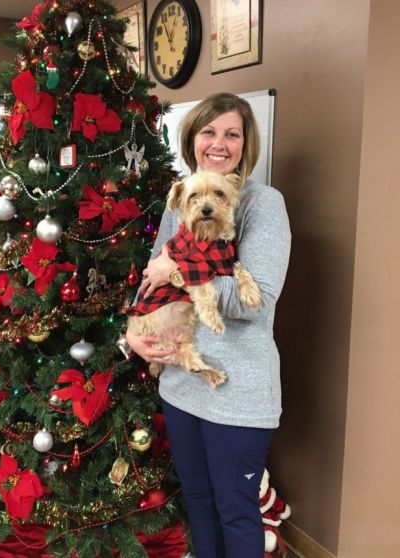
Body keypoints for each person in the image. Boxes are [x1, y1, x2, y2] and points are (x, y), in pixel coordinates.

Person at [126, 93, 291, 557]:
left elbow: (254, 300)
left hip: (238, 394)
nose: (219, 143)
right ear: (193, 139)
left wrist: (176, 273)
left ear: (246, 144)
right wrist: (135, 330)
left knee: (235, 509)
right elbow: (150, 279)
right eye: (209, 131)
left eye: (232, 134)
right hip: (181, 385)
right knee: (197, 501)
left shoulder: (264, 204)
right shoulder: (179, 198)